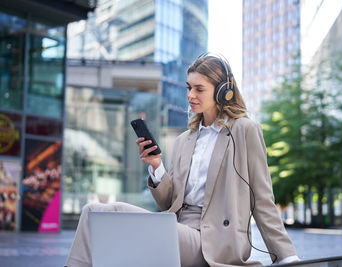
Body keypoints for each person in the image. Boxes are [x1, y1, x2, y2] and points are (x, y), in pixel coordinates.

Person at [65, 54, 299, 267]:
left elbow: (263, 198)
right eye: (189, 88)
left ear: (222, 92)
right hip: (177, 229)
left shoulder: (244, 130)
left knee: (112, 214)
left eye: (199, 89)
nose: (190, 95)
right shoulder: (183, 140)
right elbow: (168, 203)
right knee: (93, 210)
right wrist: (157, 167)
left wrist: (287, 257)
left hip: (214, 242)